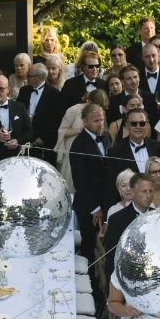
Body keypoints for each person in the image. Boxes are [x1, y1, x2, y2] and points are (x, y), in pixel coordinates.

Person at [70, 102, 114, 260]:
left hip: (106, 200)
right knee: (89, 244)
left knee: (107, 242)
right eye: (96, 121)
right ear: (85, 122)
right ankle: (88, 274)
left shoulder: (107, 136)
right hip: (88, 205)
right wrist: (94, 208)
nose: (100, 123)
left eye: (101, 120)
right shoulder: (78, 145)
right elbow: (79, 182)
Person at [103, 173, 155, 283]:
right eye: (144, 191)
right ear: (133, 192)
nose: (149, 196)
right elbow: (111, 256)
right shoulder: (117, 219)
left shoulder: (158, 217)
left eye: (151, 191)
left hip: (154, 277)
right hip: (127, 278)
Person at [56, 88, 109, 190]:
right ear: (89, 101)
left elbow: (103, 132)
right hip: (75, 149)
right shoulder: (74, 110)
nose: (99, 110)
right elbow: (62, 131)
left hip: (94, 150)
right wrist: (79, 130)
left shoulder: (100, 112)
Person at [106, 107, 160, 198]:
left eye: (142, 123)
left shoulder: (158, 147)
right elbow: (111, 185)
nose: (138, 127)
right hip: (129, 201)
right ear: (127, 125)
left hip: (156, 199)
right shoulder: (115, 151)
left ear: (147, 125)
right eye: (134, 123)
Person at [16, 60, 62, 164]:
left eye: (29, 75)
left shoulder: (54, 94)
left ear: (40, 77)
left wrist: (43, 138)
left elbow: (56, 120)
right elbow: (17, 111)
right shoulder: (23, 91)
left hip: (44, 144)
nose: (27, 77)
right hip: (25, 140)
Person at [0, 73, 31, 164]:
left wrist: (17, 141)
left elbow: (29, 130)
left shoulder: (19, 107)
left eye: (1, 89)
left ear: (8, 89)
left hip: (17, 157)